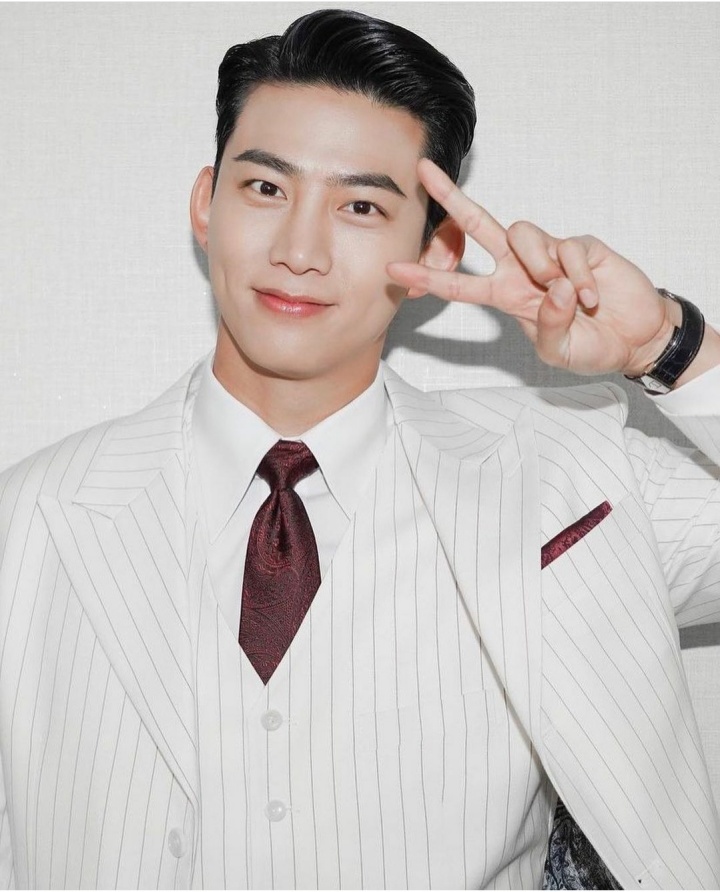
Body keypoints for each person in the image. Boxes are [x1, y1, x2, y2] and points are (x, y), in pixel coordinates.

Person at [0, 7, 719, 889]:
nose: (299, 250)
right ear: (205, 204)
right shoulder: (28, 519)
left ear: (437, 251)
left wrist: (666, 346)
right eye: (266, 189)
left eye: (361, 206)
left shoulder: (569, 486)